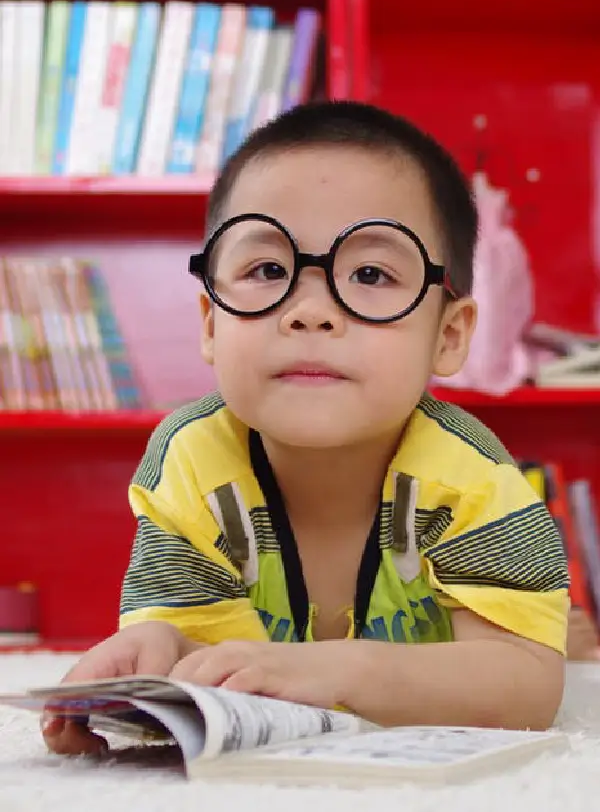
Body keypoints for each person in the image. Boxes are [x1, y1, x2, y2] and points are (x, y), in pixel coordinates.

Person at [43, 101, 568, 757]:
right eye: (268, 271)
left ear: (450, 335)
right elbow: (210, 654)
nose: (311, 311)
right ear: (210, 322)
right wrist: (161, 653)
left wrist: (335, 670)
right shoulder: (191, 462)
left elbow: (528, 684)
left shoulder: (475, 480)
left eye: (371, 274)